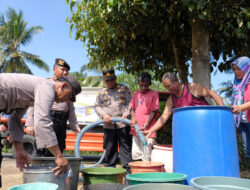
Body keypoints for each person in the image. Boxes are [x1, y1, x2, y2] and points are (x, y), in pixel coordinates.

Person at [0, 73, 81, 176]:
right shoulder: (47, 87)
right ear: (63, 86)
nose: (67, 100)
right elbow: (42, 121)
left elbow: (14, 118)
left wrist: (19, 149)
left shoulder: (33, 92)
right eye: (69, 95)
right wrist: (59, 156)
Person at [25, 58, 81, 156]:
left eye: (67, 71)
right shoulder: (45, 83)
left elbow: (71, 109)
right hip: (48, 117)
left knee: (59, 147)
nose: (65, 72)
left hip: (62, 121)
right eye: (62, 69)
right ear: (54, 69)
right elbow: (33, 104)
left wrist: (74, 126)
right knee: (43, 148)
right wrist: (30, 123)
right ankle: (41, 169)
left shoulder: (69, 87)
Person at [145, 72, 224, 138]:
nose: (168, 89)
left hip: (206, 126)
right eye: (166, 87)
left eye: (169, 86)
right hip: (190, 132)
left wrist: (224, 113)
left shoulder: (192, 88)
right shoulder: (171, 100)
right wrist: (151, 130)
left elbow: (213, 94)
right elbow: (163, 117)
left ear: (176, 81)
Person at [95, 69, 132, 171]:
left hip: (123, 125)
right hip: (108, 126)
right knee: (110, 150)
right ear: (104, 80)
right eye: (107, 80)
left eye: (112, 80)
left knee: (126, 150)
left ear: (115, 78)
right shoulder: (102, 92)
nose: (110, 82)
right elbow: (97, 106)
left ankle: (128, 173)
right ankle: (109, 172)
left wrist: (126, 113)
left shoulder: (124, 89)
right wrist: (104, 115)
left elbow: (130, 103)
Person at [129, 72, 160, 161]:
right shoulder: (136, 93)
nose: (143, 88)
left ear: (149, 84)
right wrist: (134, 119)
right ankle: (137, 173)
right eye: (141, 85)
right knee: (136, 154)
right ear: (138, 83)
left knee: (146, 155)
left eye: (145, 85)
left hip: (148, 131)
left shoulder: (154, 94)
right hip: (136, 130)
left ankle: (146, 173)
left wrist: (145, 125)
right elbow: (132, 108)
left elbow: (153, 112)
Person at [231, 56, 250, 165]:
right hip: (242, 121)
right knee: (248, 150)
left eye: (239, 68)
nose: (236, 72)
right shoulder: (237, 84)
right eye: (234, 69)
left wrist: (240, 108)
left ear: (246, 67)